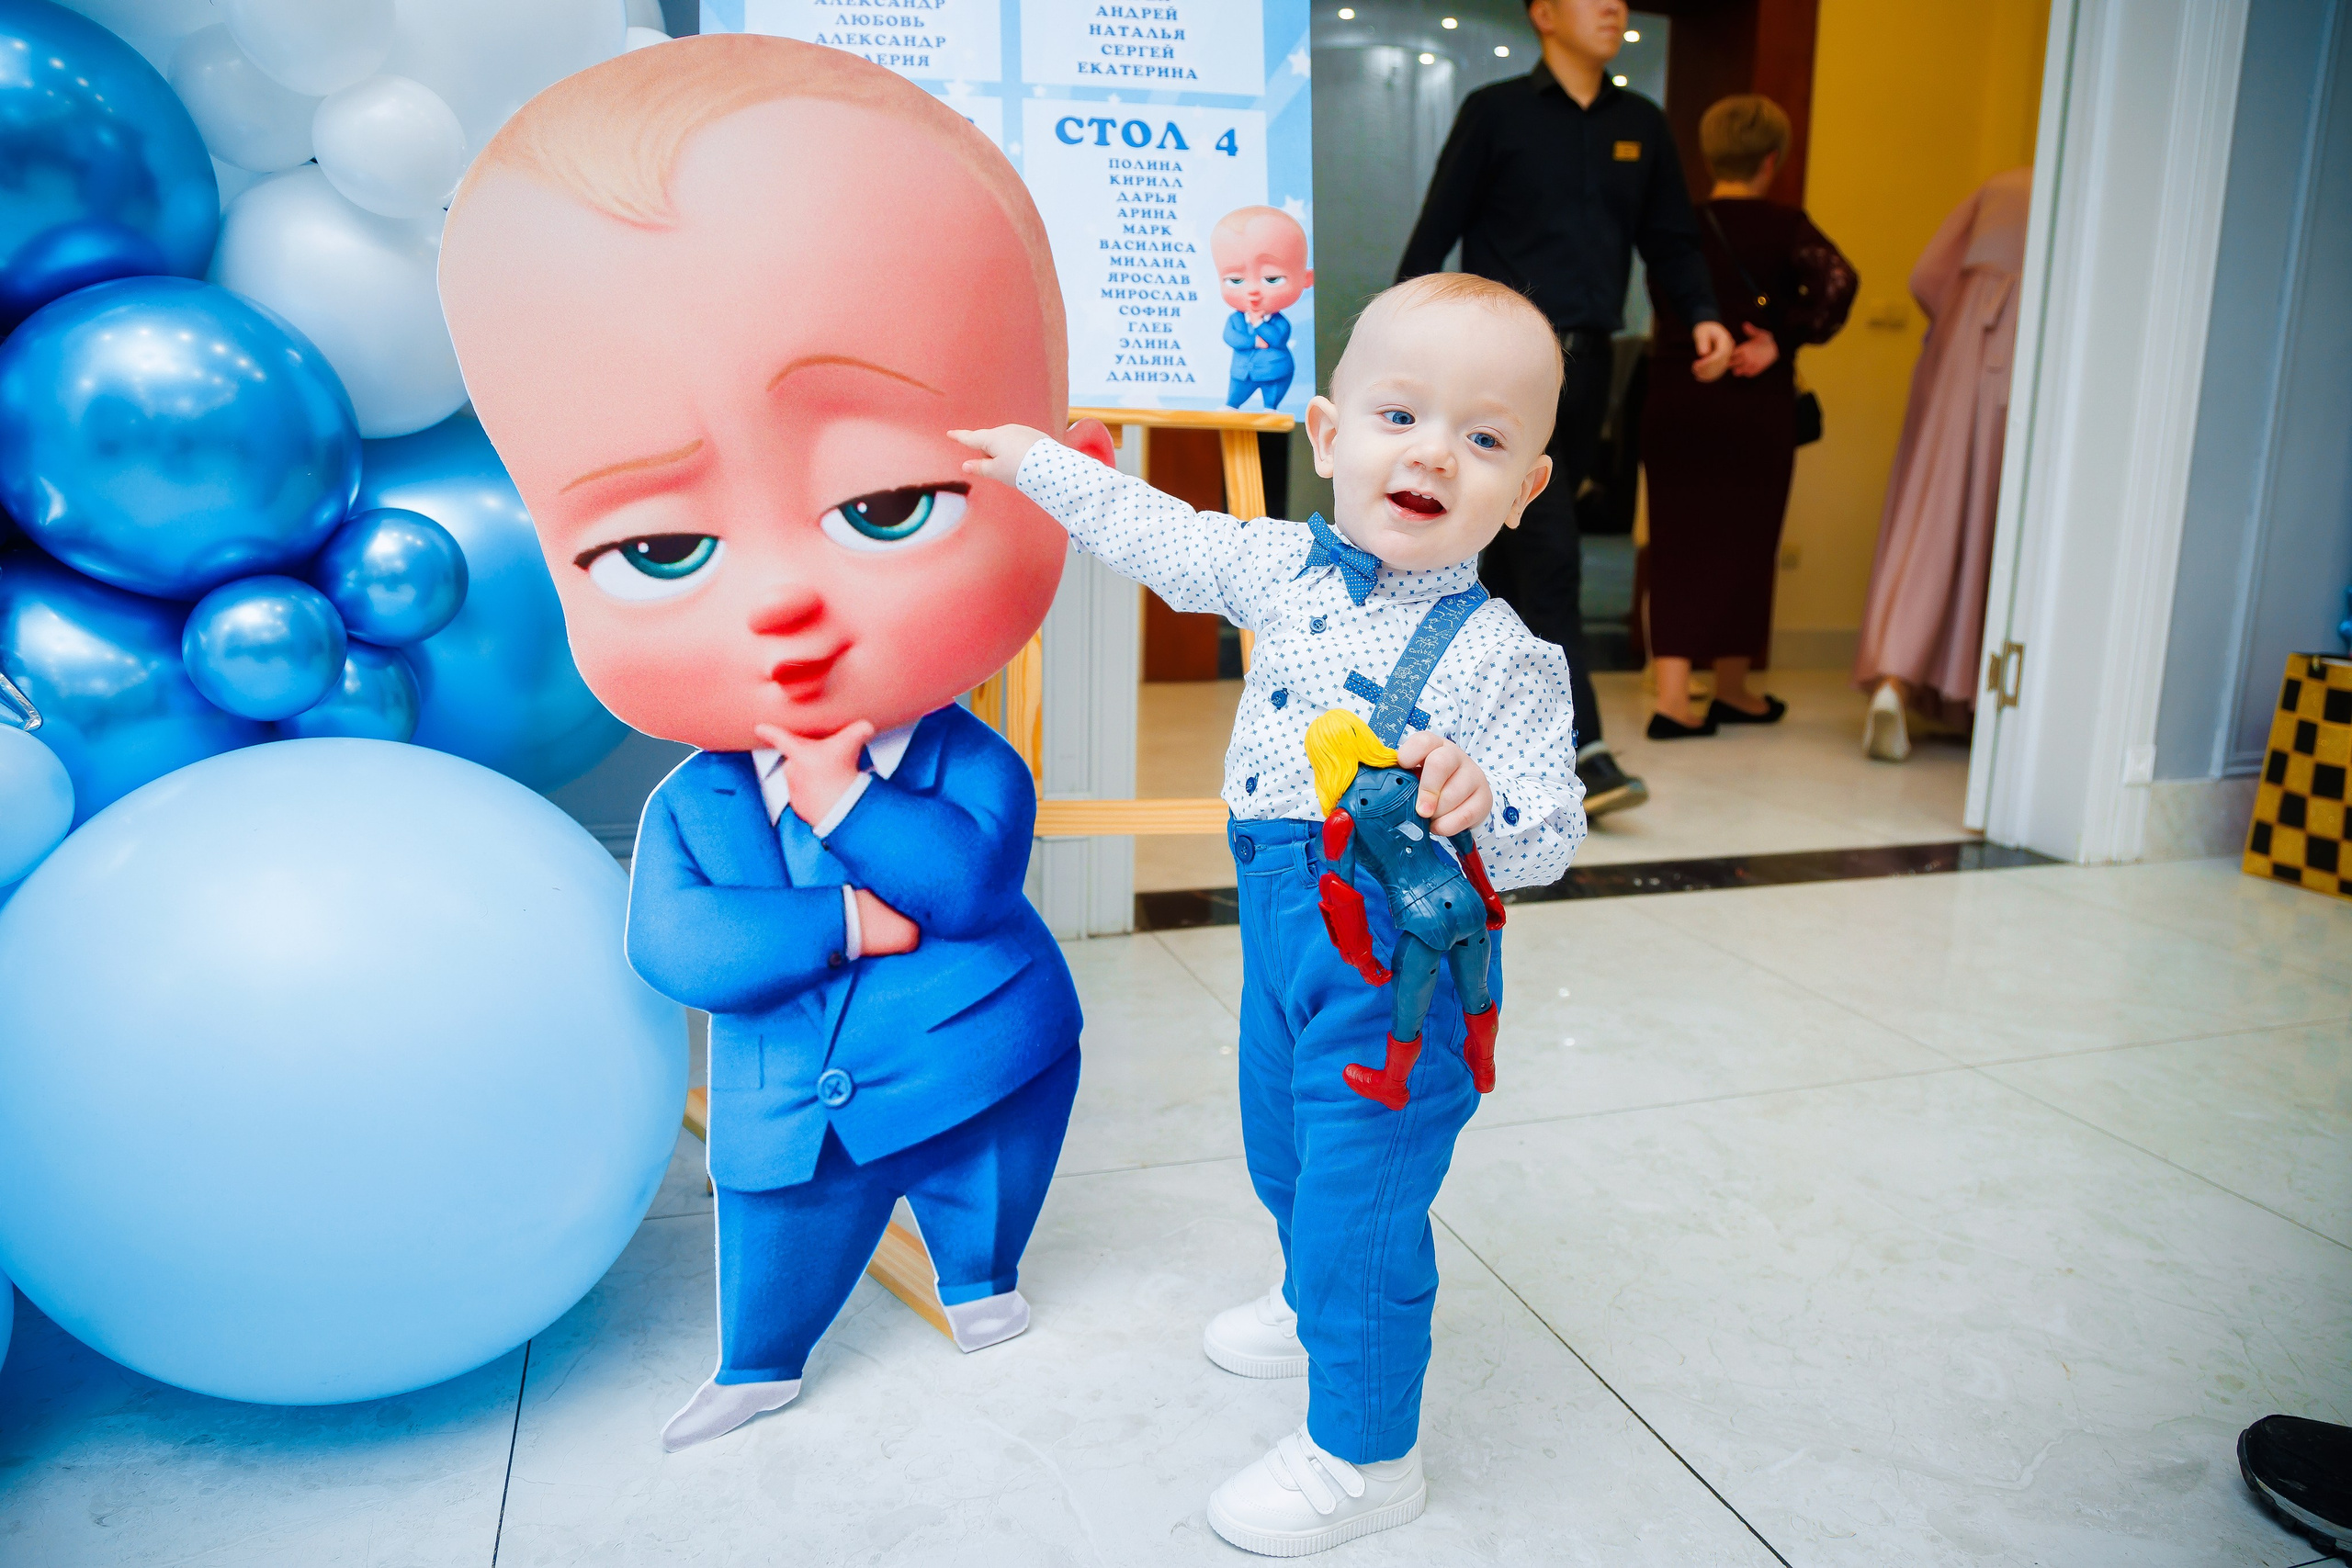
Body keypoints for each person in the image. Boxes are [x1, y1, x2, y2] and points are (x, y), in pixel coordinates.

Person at [436, 35, 1087, 1451]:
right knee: (781, 1229)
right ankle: (760, 1356)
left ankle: (982, 1275)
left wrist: (849, 805)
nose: (785, 601)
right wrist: (842, 920)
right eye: (662, 546)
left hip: (988, 1057)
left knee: (981, 1183)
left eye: (886, 505)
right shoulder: (696, 806)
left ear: (1069, 484)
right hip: (787, 1105)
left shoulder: (971, 764)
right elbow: (679, 944)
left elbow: (971, 884)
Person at [956, 271, 1585, 1557]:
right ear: (1330, 436)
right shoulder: (1280, 567)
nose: (1432, 453)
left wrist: (1485, 801)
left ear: (1524, 488)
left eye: (1481, 437)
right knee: (1283, 1147)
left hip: (1401, 984)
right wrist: (1036, 463)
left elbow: (1551, 836)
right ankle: (1308, 1299)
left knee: (1362, 1203)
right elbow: (1159, 532)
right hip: (1284, 938)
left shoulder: (1508, 656)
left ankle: (1367, 1456)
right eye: (1401, 415)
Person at [1396, 0, 1734, 818]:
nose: (1613, 7)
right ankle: (1584, 747)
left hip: (1587, 368)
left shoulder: (1641, 125)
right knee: (1548, 551)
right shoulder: (1496, 113)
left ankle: (1488, 745)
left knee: (1510, 557)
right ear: (1544, 13)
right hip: (1500, 371)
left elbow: (1670, 239)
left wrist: (1702, 312)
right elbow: (1436, 228)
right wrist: (1400, 344)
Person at [1641, 95, 1857, 739]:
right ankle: (1732, 687)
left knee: (1675, 541)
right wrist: (1779, 340)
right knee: (1748, 543)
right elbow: (1839, 284)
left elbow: (1664, 295)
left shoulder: (1677, 223)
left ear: (1710, 156)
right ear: (1772, 159)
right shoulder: (1787, 225)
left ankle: (1673, 697)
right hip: (1754, 406)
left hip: (1677, 394)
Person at [1851, 166, 2031, 761]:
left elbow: (1926, 276)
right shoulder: (2086, 190)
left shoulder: (2002, 186)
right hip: (2031, 351)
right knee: (2003, 524)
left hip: (1964, 349)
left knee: (1934, 515)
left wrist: (1959, 317)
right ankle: (1980, 694)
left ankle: (1896, 681)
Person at [1215, 205, 1312, 410]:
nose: (1252, 291)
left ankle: (1271, 407)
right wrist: (1254, 341)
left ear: (1307, 278)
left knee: (1272, 400)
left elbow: (1277, 339)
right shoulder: (1236, 319)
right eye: (1236, 280)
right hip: (1241, 372)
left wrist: (1259, 324)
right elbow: (1230, 337)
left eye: (1272, 278)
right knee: (1233, 401)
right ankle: (1231, 405)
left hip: (1275, 371)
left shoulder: (1279, 322)